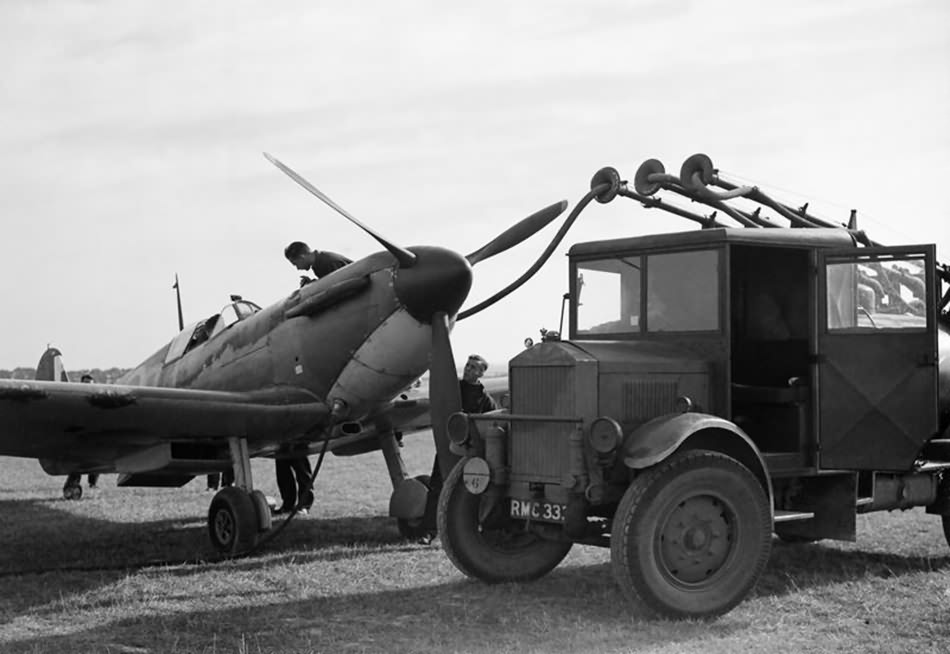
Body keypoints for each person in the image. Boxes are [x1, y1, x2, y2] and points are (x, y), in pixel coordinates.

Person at [419, 354, 498, 543]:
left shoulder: (486, 400)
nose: (468, 369)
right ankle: (429, 531)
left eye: (473, 367)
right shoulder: (453, 389)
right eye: (467, 365)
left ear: (481, 373)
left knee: (474, 491)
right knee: (437, 486)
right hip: (449, 448)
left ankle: (472, 531)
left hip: (471, 454)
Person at [63, 374, 99, 496]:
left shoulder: (98, 401)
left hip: (94, 436)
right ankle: (71, 486)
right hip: (78, 436)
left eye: (90, 385)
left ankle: (93, 484)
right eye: (85, 384)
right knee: (77, 464)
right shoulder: (74, 399)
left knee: (97, 460)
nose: (88, 387)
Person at [284, 241, 352, 287]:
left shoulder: (325, 262)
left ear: (302, 257)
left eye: (296, 264)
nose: (298, 268)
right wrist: (312, 284)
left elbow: (338, 287)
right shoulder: (318, 262)